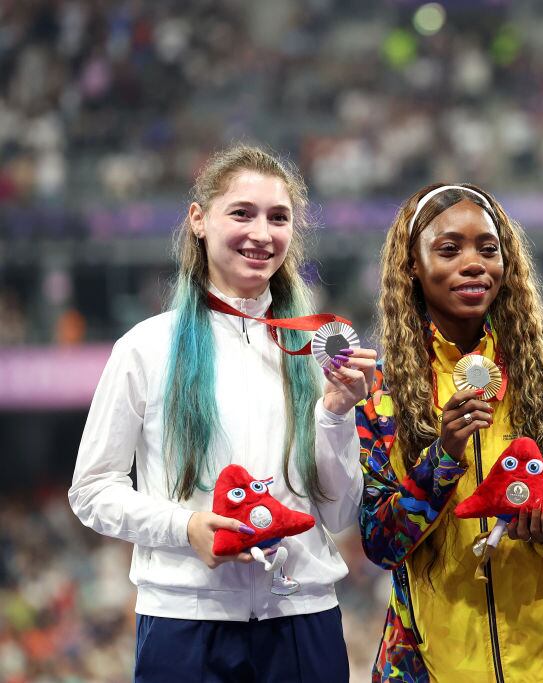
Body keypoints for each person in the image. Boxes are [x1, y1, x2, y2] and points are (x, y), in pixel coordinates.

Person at [68, 145, 375, 682]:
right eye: (242, 212)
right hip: (186, 621)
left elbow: (342, 515)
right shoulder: (146, 348)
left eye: (278, 218)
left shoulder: (317, 352)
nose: (262, 233)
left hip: (302, 618)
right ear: (198, 221)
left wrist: (337, 413)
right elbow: (91, 489)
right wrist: (184, 527)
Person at [357, 183, 543, 682]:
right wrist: (443, 456)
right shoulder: (380, 393)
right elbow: (380, 543)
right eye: (449, 249)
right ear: (412, 267)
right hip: (425, 662)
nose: (473, 264)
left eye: (488, 249)